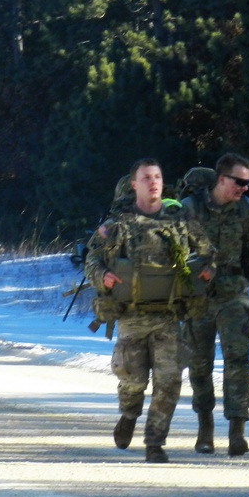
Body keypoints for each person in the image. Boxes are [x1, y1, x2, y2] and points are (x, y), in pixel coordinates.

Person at [84, 159, 214, 463]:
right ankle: (129, 414)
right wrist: (102, 276)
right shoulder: (117, 224)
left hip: (168, 315)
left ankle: (155, 442)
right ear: (134, 184)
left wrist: (208, 270)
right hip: (132, 314)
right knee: (133, 379)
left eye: (157, 177)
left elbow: (209, 253)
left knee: (169, 381)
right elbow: (92, 257)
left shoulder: (180, 222)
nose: (153, 182)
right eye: (146, 178)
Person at [180, 153, 249, 456]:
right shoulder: (189, 210)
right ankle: (205, 429)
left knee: (238, 360)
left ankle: (237, 430)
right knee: (199, 364)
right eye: (239, 182)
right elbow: (169, 249)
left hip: (233, 293)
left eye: (247, 183)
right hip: (196, 296)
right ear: (221, 179)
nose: (244, 188)